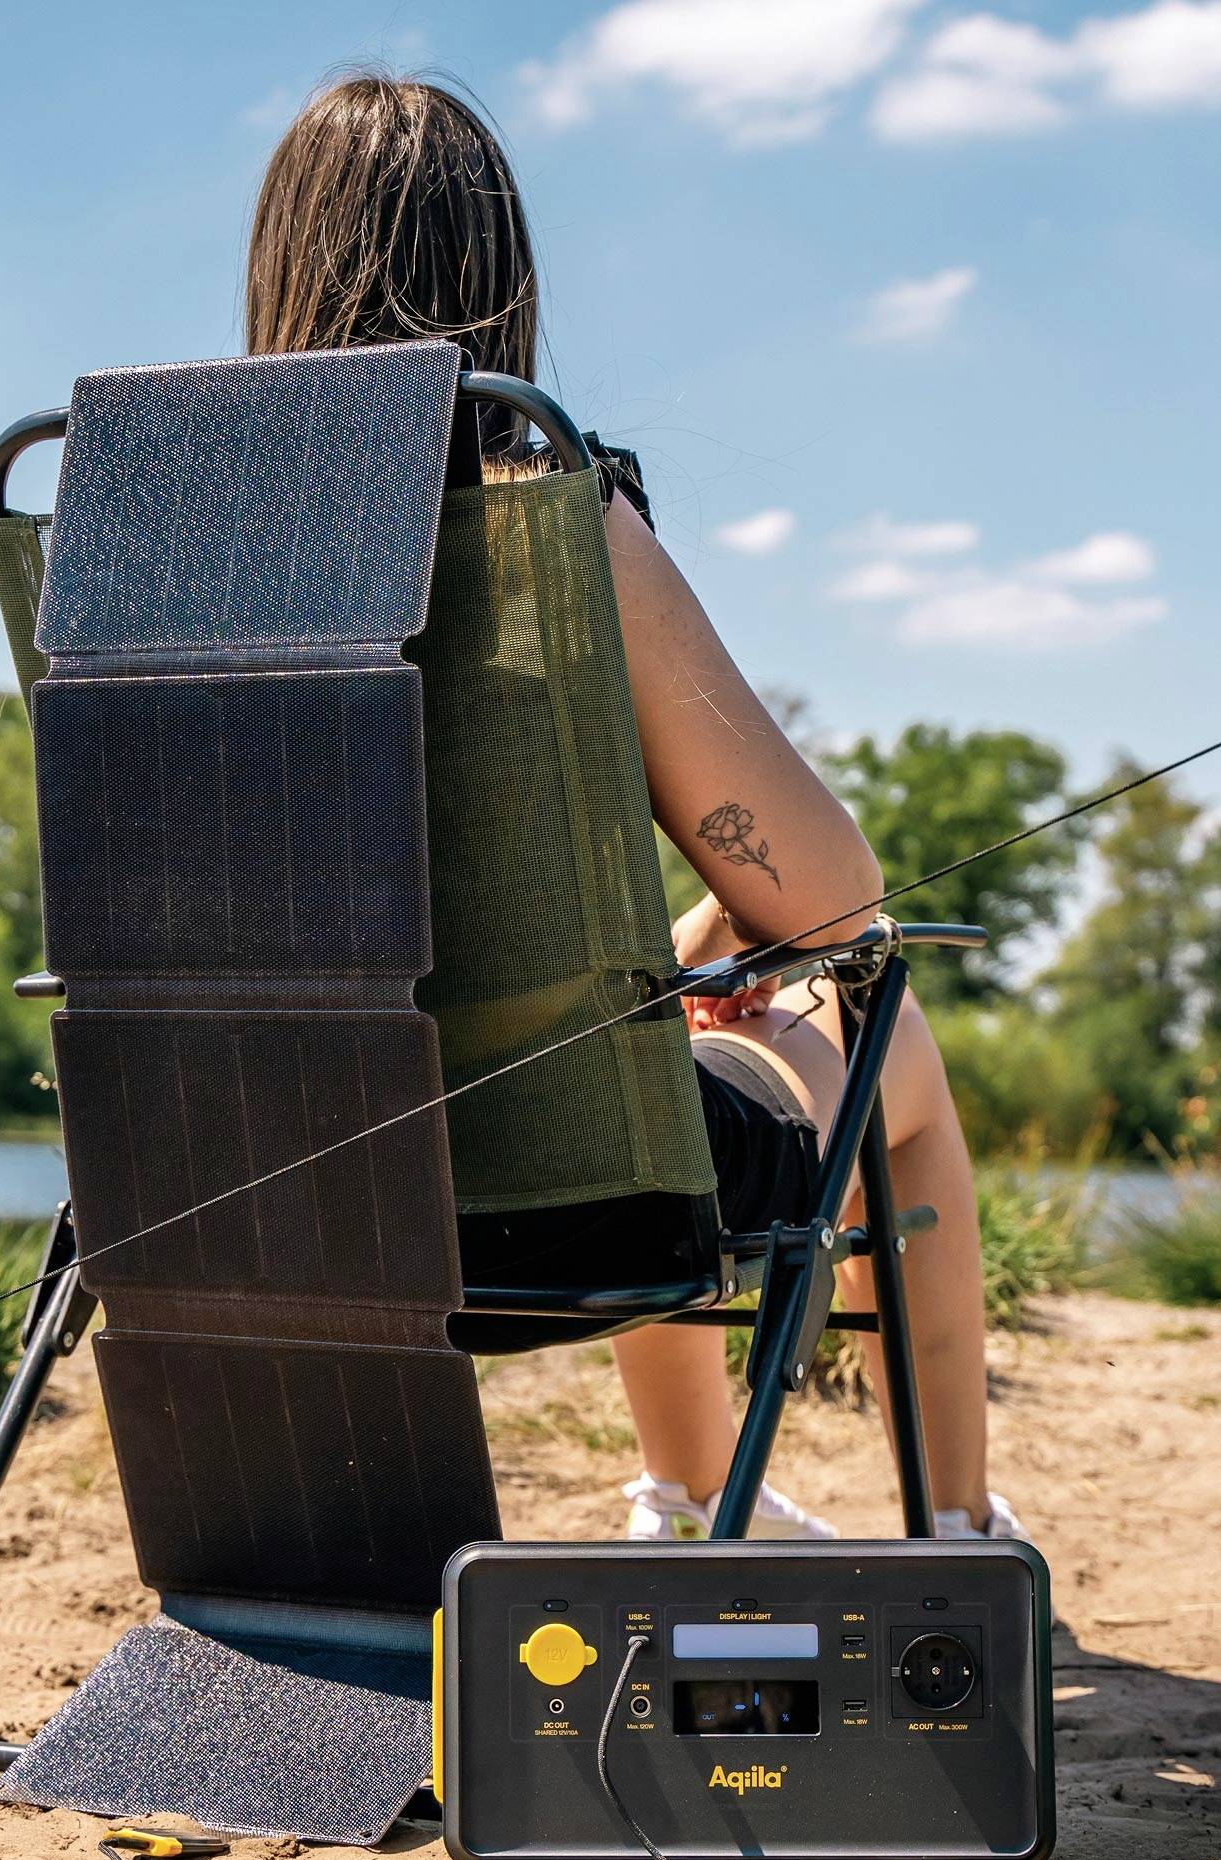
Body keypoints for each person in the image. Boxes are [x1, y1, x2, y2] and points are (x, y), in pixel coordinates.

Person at [244, 74, 1023, 1542]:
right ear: (503, 285)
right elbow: (841, 907)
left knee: (646, 1019)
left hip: (240, 1172)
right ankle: (949, 1531)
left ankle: (689, 1488)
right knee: (879, 1032)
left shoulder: (177, 545)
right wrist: (735, 916)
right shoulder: (552, 518)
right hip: (552, 1185)